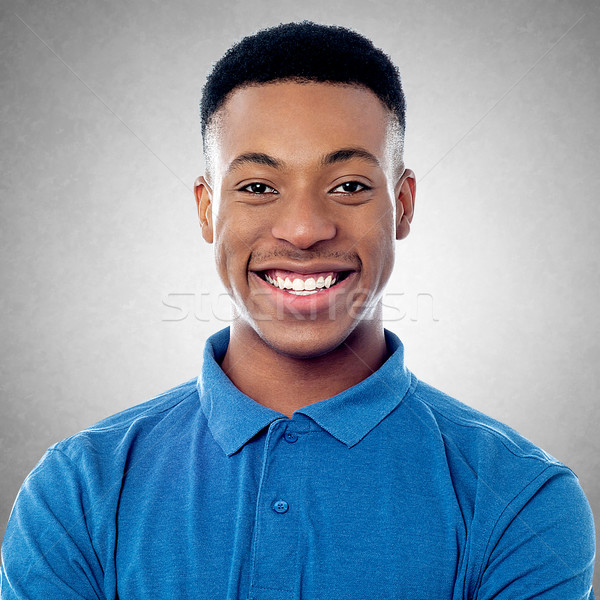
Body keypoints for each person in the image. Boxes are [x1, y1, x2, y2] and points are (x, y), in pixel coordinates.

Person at [1, 21, 595, 600]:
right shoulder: (77, 490)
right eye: (258, 187)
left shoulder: (521, 498)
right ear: (207, 211)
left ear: (404, 205)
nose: (305, 230)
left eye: (350, 186)